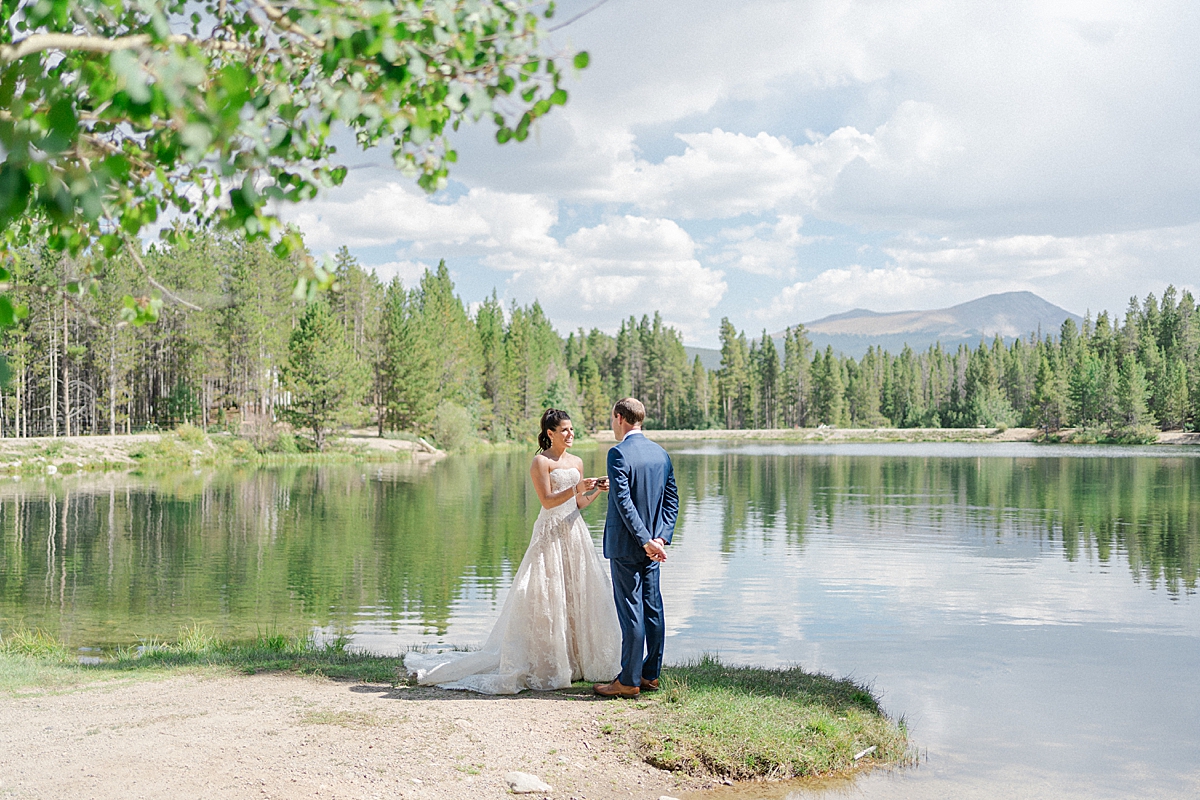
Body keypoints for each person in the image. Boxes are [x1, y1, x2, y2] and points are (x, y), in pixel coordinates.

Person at [404, 409, 621, 694]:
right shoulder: (540, 462)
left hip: (574, 532)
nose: (571, 434)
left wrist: (593, 491)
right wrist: (575, 488)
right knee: (546, 593)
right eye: (565, 430)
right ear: (550, 434)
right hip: (549, 532)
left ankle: (575, 660)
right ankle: (547, 662)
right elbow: (546, 501)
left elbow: (577, 504)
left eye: (572, 429)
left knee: (576, 593)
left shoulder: (577, 461)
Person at [594, 397, 678, 699]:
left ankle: (628, 680)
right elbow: (672, 501)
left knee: (632, 611)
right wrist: (660, 539)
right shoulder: (660, 454)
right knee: (653, 608)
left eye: (612, 419)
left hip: (629, 547)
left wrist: (645, 540)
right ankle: (650, 675)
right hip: (654, 547)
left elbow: (624, 503)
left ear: (619, 418)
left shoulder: (618, 454)